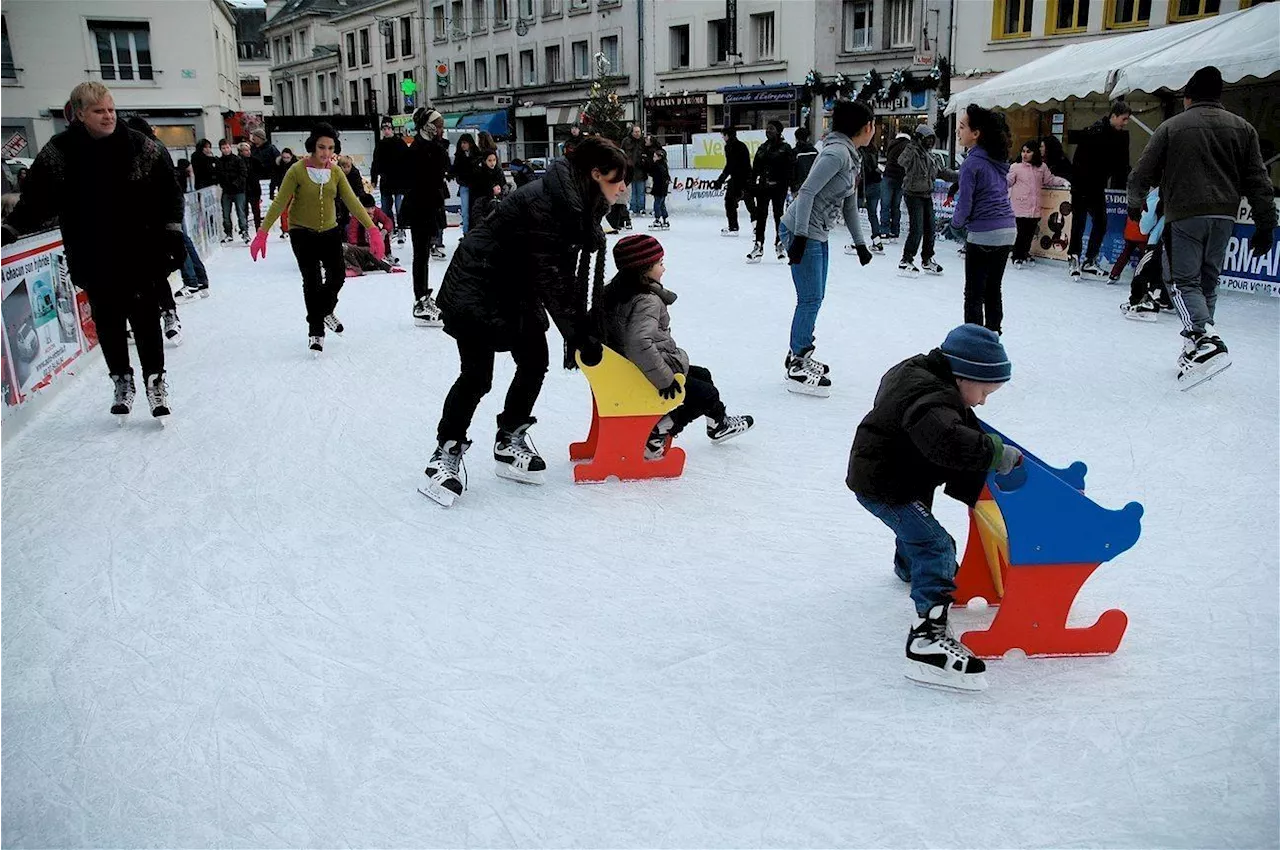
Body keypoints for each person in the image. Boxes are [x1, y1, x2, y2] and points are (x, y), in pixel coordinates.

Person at [420, 137, 629, 506]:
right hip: (478, 285)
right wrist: (579, 332)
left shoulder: (579, 202)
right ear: (595, 175)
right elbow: (552, 276)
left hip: (517, 286)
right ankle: (446, 453)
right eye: (617, 180)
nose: (623, 187)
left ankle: (509, 437)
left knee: (535, 361)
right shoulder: (546, 204)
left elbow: (557, 273)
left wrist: (584, 325)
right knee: (476, 377)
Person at [847, 323, 1020, 691]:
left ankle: (908, 566)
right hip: (887, 483)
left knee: (917, 526)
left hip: (894, 471)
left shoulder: (916, 372)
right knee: (936, 545)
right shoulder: (932, 399)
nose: (982, 402)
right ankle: (927, 641)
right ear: (962, 376)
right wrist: (994, 452)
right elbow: (948, 441)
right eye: (984, 391)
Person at [0, 82, 184, 421]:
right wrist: (11, 229)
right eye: (99, 111)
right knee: (109, 321)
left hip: (140, 249)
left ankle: (155, 381)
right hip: (92, 251)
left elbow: (170, 189)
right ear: (80, 114)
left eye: (111, 109)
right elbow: (37, 198)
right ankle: (121, 380)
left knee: (145, 319)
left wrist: (172, 232)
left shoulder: (139, 145)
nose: (108, 115)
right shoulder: (61, 151)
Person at [1127, 65, 1276, 386]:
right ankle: (1195, 346)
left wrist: (1135, 203)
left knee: (1181, 282)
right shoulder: (1243, 128)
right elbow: (1259, 180)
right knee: (1208, 281)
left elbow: (1142, 171)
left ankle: (1205, 338)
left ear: (1188, 97)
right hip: (1224, 216)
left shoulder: (1173, 127)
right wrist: (1266, 224)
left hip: (1185, 215)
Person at [602, 234, 754, 458]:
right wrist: (664, 380)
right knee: (706, 394)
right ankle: (656, 433)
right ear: (643, 268)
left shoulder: (618, 291)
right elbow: (638, 342)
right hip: (643, 373)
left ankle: (718, 424)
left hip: (632, 368)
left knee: (703, 375)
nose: (664, 269)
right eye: (660, 263)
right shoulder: (646, 299)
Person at [250, 122, 379, 354]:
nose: (326, 153)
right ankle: (316, 331)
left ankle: (325, 310)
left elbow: (352, 202)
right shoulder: (297, 170)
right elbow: (281, 202)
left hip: (329, 231)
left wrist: (372, 229)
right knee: (311, 280)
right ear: (313, 146)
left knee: (338, 275)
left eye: (330, 148)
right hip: (302, 233)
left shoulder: (336, 171)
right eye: (321, 147)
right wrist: (262, 232)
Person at [779, 100, 875, 397]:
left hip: (816, 232)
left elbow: (849, 203)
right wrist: (801, 239)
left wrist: (861, 244)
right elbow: (806, 192)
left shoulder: (851, 156)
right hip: (800, 230)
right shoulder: (835, 153)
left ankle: (801, 352)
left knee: (815, 297)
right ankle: (797, 361)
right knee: (809, 298)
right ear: (866, 127)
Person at [953, 105, 1016, 335]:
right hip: (1007, 228)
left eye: (961, 127)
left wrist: (956, 224)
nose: (958, 132)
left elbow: (966, 203)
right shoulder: (996, 158)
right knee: (993, 289)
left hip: (983, 232)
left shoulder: (972, 162)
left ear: (976, 133)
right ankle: (992, 337)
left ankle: (974, 343)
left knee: (974, 293)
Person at [1067, 100, 1132, 279]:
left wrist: (1128, 178)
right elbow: (1078, 160)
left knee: (1101, 222)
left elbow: (1121, 164)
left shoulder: (1121, 137)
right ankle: (1074, 257)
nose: (1125, 123)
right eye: (1124, 119)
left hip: (1097, 185)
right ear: (1114, 116)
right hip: (1081, 185)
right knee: (1079, 223)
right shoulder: (1094, 131)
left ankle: (1090, 259)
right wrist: (1076, 185)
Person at [403, 108, 452, 327]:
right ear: (428, 126)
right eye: (438, 125)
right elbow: (423, 178)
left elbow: (445, 170)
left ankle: (423, 297)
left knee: (423, 255)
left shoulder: (433, 146)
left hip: (429, 205)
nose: (441, 129)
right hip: (419, 207)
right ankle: (420, 300)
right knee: (420, 254)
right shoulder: (419, 148)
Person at [897, 123, 957, 277]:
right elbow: (901, 161)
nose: (930, 142)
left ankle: (927, 259)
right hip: (913, 194)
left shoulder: (932, 156)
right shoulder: (913, 152)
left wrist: (961, 175)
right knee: (917, 228)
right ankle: (906, 260)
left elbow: (943, 172)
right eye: (927, 139)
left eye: (932, 139)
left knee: (930, 229)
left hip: (926, 195)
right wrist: (912, 144)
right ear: (919, 138)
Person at [1007, 140, 1069, 268]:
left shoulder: (1042, 167)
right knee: (1022, 232)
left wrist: (1063, 181)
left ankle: (1025, 253)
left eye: (1028, 152)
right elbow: (1008, 181)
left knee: (1030, 232)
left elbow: (1050, 180)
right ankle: (1017, 255)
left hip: (1034, 206)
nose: (1025, 154)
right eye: (1023, 151)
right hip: (1020, 205)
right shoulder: (1016, 167)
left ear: (1034, 153)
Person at [1120, 188, 1171, 321]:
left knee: (1144, 269)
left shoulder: (1158, 192)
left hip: (1160, 238)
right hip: (1182, 239)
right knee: (1168, 272)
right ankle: (1165, 300)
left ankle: (1139, 300)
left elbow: (1145, 225)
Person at [747, 120, 793, 263]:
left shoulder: (785, 148)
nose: (768, 131)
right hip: (763, 187)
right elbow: (755, 168)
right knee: (761, 216)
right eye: (767, 129)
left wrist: (791, 185)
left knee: (779, 215)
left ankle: (780, 244)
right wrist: (751, 184)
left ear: (778, 131)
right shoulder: (762, 148)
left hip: (779, 187)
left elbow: (790, 169)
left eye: (771, 129)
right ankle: (758, 245)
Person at [371, 118, 410, 242]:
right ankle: (391, 228)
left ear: (392, 129)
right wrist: (374, 178)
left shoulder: (400, 143)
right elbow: (375, 162)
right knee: (385, 208)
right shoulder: (380, 145)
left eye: (388, 129)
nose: (386, 131)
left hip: (400, 181)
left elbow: (408, 161)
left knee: (400, 207)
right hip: (386, 181)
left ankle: (401, 229)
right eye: (384, 129)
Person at [712, 126, 755, 237]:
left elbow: (730, 165)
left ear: (727, 135)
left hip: (738, 179)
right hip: (747, 177)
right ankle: (756, 227)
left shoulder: (730, 147)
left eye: (723, 135)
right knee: (750, 203)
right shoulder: (741, 145)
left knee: (730, 201)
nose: (722, 137)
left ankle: (733, 227)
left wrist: (721, 179)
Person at [343, 193, 400, 275]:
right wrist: (354, 246)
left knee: (384, 231)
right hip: (362, 245)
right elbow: (353, 231)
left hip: (374, 242)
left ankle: (387, 254)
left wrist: (384, 231)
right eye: (367, 208)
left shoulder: (377, 211)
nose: (370, 210)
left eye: (372, 208)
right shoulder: (356, 214)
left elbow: (388, 221)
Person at [881, 127, 912, 240]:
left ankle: (884, 230)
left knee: (885, 205)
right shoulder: (909, 146)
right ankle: (895, 230)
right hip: (901, 178)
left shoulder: (891, 143)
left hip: (888, 175)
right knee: (896, 205)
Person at [216, 138, 249, 243]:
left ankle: (244, 231)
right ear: (220, 149)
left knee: (241, 212)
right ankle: (228, 233)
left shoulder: (238, 160)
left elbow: (243, 173)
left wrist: (236, 183)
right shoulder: (219, 162)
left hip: (238, 190)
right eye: (223, 148)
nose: (225, 150)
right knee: (226, 213)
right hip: (226, 191)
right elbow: (219, 175)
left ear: (230, 147)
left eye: (227, 147)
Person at [856, 142, 886, 255]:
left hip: (864, 185)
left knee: (854, 213)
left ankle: (856, 242)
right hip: (875, 183)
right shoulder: (873, 148)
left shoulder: (859, 151)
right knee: (872, 214)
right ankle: (877, 241)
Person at [248, 128, 279, 227]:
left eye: (255, 137)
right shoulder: (253, 149)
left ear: (260, 138)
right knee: (256, 203)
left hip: (269, 178)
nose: (253, 139)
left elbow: (278, 162)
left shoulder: (271, 148)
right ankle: (257, 221)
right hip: (255, 179)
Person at [466, 149, 507, 224]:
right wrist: (491, 191)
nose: (492, 163)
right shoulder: (479, 173)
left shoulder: (498, 172)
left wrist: (502, 190)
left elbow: (503, 185)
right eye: (490, 160)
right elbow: (477, 192)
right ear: (485, 161)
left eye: (494, 160)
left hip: (497, 206)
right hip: (483, 208)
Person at [452, 133, 479, 234]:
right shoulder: (459, 156)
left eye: (465, 143)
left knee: (473, 210)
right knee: (465, 211)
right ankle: (466, 232)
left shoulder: (476, 155)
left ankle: (471, 232)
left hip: (474, 186)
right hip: (465, 186)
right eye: (462, 143)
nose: (463, 145)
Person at [622, 124, 649, 217]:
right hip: (630, 170)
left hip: (641, 170)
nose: (638, 133)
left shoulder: (643, 141)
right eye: (636, 132)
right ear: (632, 132)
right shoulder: (626, 141)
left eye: (639, 132)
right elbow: (622, 152)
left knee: (641, 191)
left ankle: (641, 208)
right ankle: (633, 208)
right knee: (632, 191)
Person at [238, 141, 264, 232]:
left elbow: (262, 171)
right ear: (241, 152)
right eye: (245, 150)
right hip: (243, 189)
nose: (248, 152)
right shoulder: (238, 161)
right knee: (243, 211)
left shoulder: (255, 161)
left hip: (254, 188)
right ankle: (244, 229)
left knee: (256, 211)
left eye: (249, 150)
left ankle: (258, 228)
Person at [271, 147, 296, 238]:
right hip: (283, 190)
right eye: (284, 157)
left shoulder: (296, 165)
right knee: (283, 211)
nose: (286, 160)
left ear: (291, 157)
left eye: (287, 158)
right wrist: (271, 191)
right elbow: (274, 178)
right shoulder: (278, 165)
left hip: (295, 190)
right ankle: (285, 229)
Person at [791, 126, 818, 197]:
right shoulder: (814, 152)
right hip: (812, 186)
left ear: (796, 138)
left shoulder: (793, 152)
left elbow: (791, 171)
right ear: (808, 138)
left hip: (797, 187)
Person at [648, 147, 671, 230]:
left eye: (655, 157)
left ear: (659, 157)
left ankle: (657, 219)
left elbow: (652, 173)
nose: (653, 158)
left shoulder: (657, 165)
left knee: (657, 204)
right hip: (663, 188)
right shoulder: (664, 165)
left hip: (658, 188)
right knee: (662, 204)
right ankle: (665, 219)